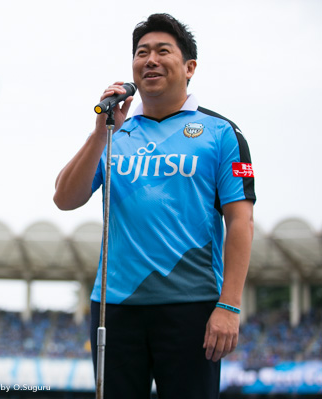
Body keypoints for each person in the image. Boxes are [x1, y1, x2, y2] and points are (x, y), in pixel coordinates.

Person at [53, 13, 255, 399]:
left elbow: (240, 222)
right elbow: (65, 198)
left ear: (189, 67)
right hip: (114, 308)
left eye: (163, 51)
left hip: (192, 305)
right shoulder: (115, 131)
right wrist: (101, 132)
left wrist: (229, 305)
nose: (150, 60)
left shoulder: (221, 133)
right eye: (142, 52)